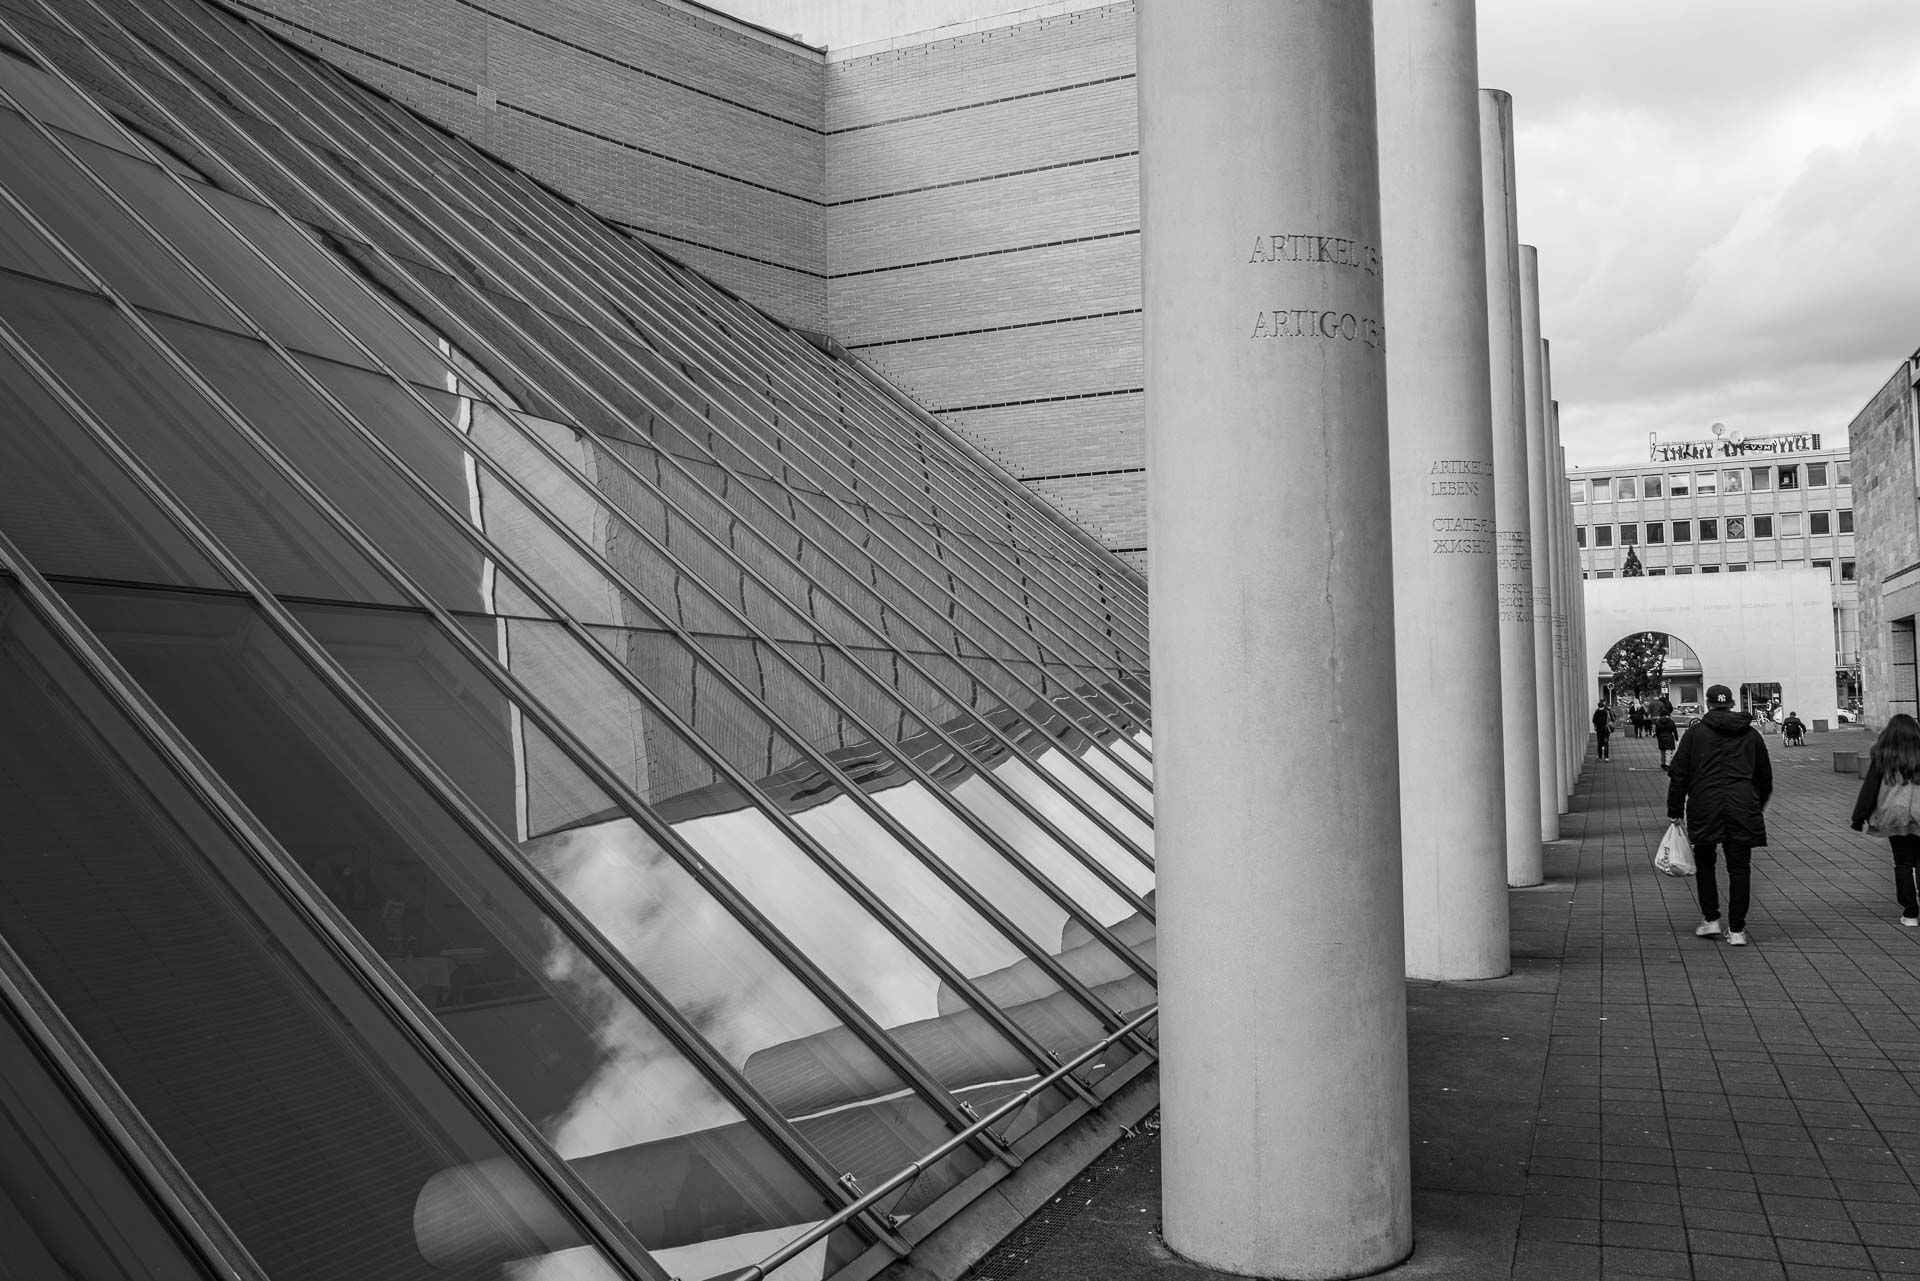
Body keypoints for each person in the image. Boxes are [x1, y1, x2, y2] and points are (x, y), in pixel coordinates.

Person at [1667, 683, 1773, 946]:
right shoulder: (1750, 735)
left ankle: (1711, 919)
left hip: (1705, 805)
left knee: (1705, 862)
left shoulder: (1695, 735)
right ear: (1732, 703)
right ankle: (1737, 930)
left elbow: (1679, 774)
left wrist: (1675, 810)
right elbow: (1765, 776)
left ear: (1709, 702)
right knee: (1740, 867)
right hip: (1742, 805)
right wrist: (1755, 805)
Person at [1850, 713, 1920, 927]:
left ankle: (1910, 913)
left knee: (1903, 862)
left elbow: (1870, 787)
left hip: (1893, 813)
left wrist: (1859, 816)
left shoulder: (1883, 754)